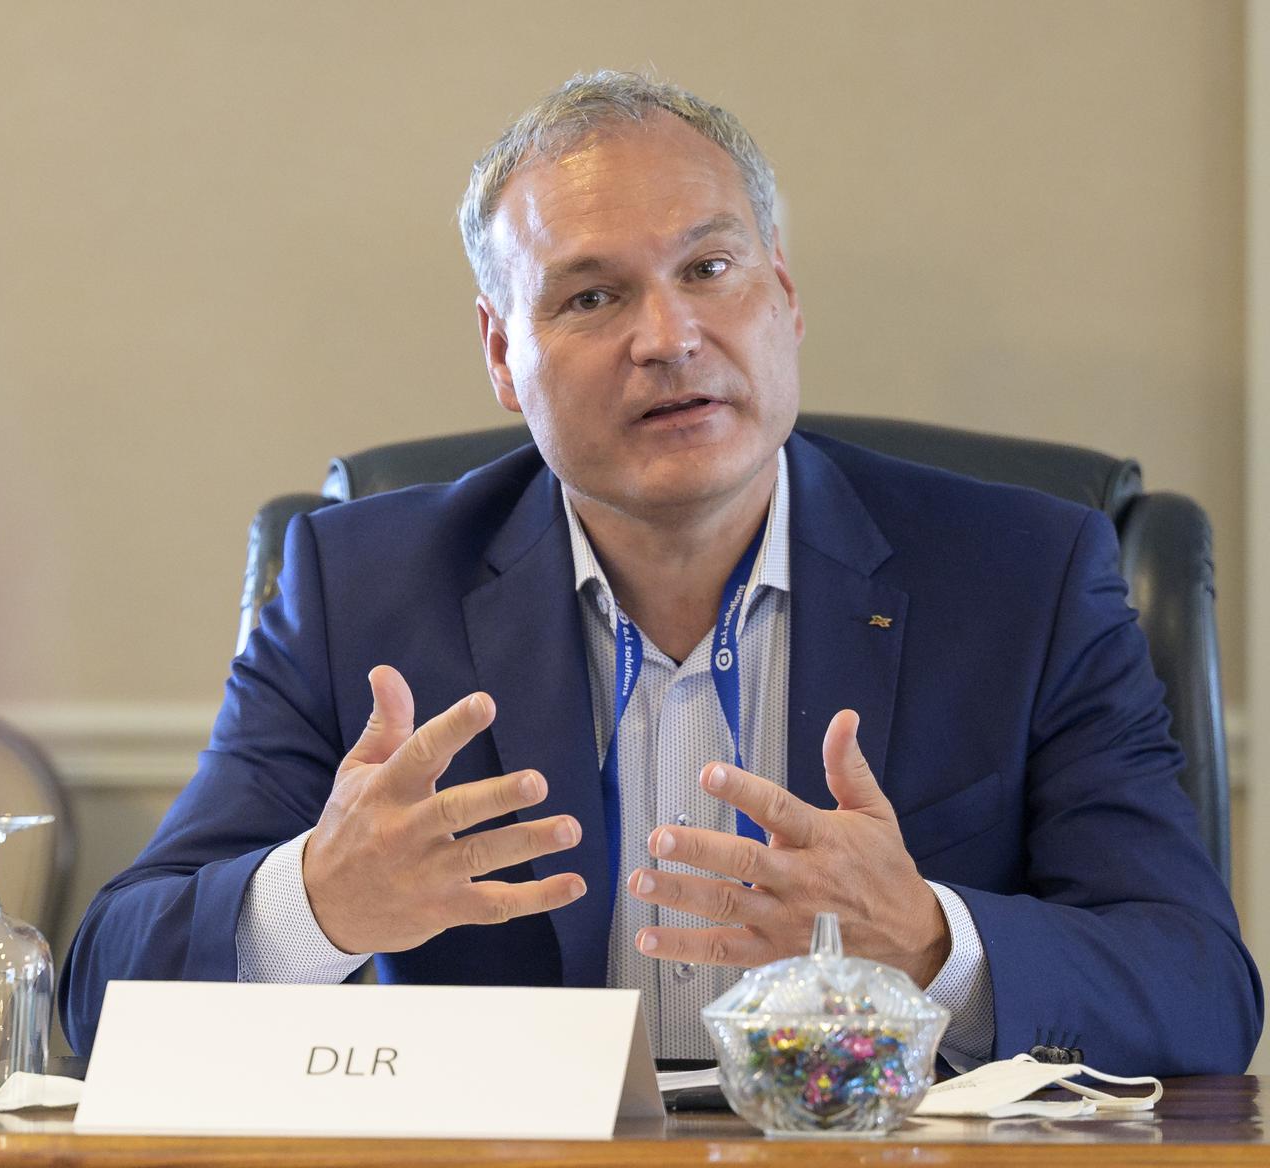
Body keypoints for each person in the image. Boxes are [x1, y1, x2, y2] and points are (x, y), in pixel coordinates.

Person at [61, 71, 1261, 1073]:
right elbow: (101, 987)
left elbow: (1201, 992)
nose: (668, 337)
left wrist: (927, 942)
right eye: (591, 295)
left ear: (782, 298)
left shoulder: (1024, 575)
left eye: (708, 270)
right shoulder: (359, 585)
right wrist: (318, 904)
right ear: (500, 352)